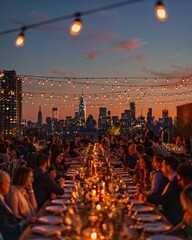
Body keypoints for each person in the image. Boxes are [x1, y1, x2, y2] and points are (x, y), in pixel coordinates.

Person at [147, 156, 183, 226]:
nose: (161, 168)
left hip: (171, 218)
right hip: (166, 213)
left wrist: (147, 198)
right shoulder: (169, 179)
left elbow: (165, 198)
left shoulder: (176, 181)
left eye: (163, 166)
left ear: (169, 167)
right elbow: (160, 193)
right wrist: (147, 197)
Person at [0, 170, 30, 240]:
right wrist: (23, 223)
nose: (9, 186)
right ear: (2, 185)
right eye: (8, 183)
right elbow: (6, 229)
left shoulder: (2, 199)